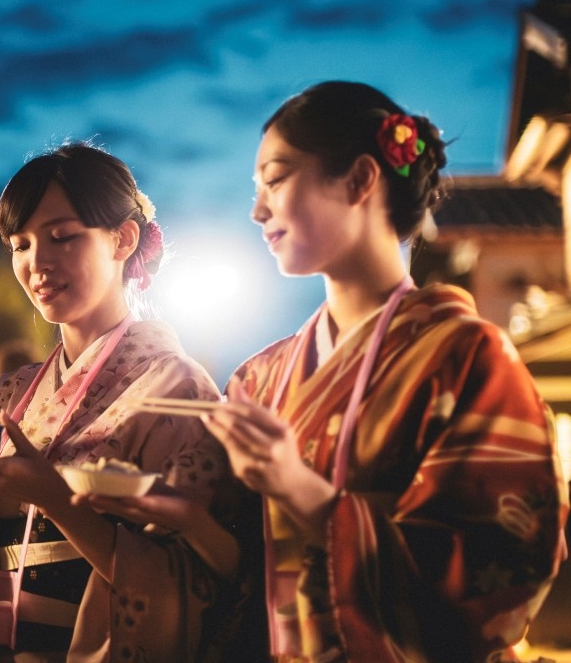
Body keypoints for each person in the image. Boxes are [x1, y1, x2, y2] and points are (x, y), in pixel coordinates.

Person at [197, 81, 569, 661]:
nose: (257, 210)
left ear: (360, 180)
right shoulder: (259, 379)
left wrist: (305, 494)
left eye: (275, 179)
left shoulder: (467, 356)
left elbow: (499, 567)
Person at [0, 142, 247, 662]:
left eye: (62, 237)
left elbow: (193, 578)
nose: (37, 263)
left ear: (123, 239)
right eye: (20, 245)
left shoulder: (175, 390)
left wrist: (54, 496)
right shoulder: (11, 394)